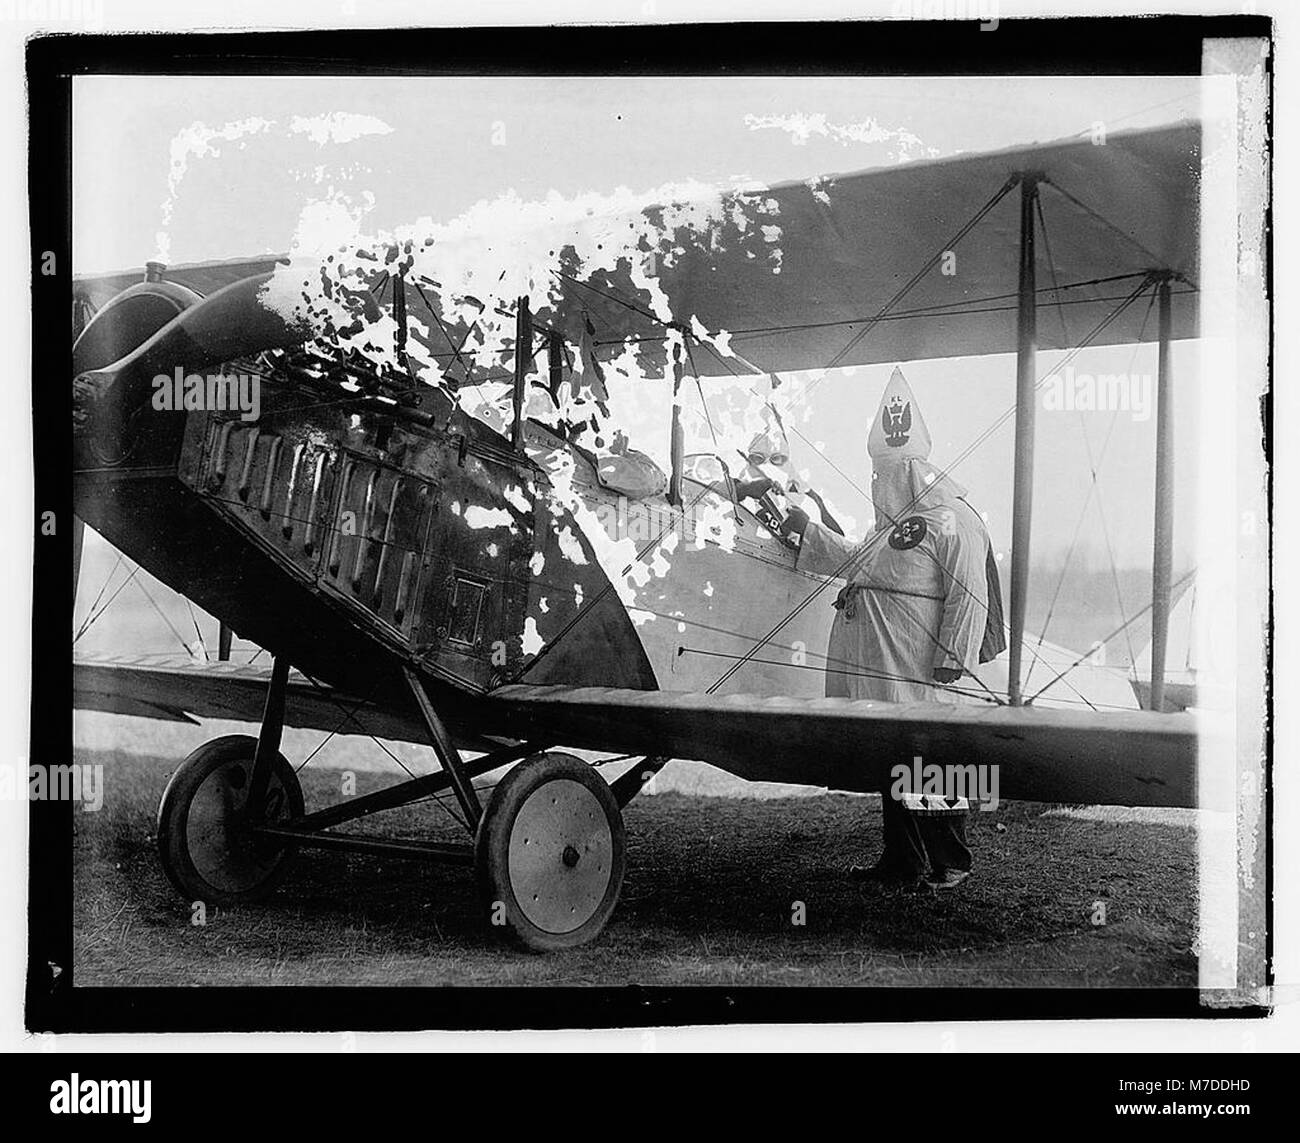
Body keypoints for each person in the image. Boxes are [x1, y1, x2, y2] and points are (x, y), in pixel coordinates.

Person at [783, 367, 1005, 890]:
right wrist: (800, 529)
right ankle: (903, 861)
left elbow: (970, 593)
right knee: (894, 761)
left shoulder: (955, 519)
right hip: (882, 668)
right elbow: (855, 560)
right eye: (876, 472)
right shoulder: (888, 530)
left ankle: (950, 863)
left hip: (918, 666)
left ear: (913, 470)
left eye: (887, 472)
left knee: (931, 763)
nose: (878, 482)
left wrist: (954, 656)